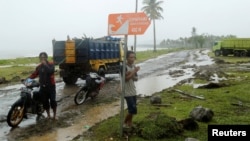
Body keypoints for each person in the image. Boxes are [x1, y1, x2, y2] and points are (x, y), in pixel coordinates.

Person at [28, 52, 57, 120]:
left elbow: (50, 71)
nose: (42, 58)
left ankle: (55, 116)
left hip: (51, 87)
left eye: (44, 57)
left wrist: (45, 64)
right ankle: (49, 115)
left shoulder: (51, 64)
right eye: (41, 57)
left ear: (46, 58)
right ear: (40, 58)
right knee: (45, 102)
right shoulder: (39, 67)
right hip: (43, 88)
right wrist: (27, 79)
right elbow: (34, 74)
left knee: (53, 101)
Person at [123, 50, 140, 128]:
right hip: (126, 91)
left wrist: (132, 73)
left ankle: (130, 123)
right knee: (132, 108)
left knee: (133, 108)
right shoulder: (123, 67)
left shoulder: (133, 66)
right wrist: (134, 71)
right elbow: (126, 79)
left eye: (133, 57)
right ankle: (124, 122)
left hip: (133, 90)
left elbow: (136, 79)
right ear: (126, 58)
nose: (132, 59)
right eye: (131, 57)